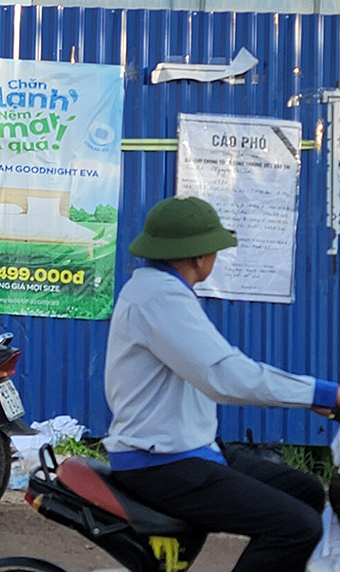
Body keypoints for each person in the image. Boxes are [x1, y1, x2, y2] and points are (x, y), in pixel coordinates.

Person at [104, 195, 339, 572]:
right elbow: (227, 377)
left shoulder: (160, 290)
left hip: (186, 448)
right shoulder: (161, 299)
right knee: (296, 526)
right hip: (161, 461)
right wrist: (320, 393)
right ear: (199, 257)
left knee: (306, 490)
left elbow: (221, 370)